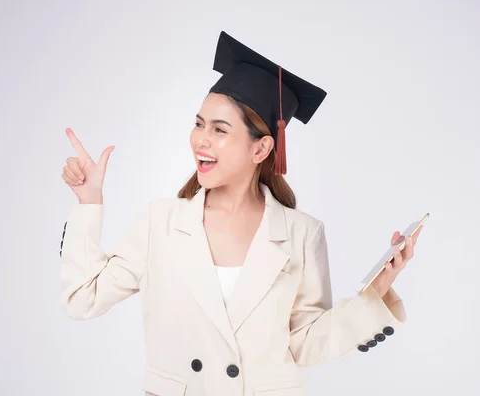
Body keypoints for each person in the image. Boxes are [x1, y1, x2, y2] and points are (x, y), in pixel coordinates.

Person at [58, 31, 423, 396]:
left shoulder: (302, 233)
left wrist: (376, 291)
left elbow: (305, 342)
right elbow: (83, 298)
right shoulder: (160, 221)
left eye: (219, 130)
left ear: (262, 148)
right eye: (199, 124)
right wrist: (89, 202)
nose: (201, 139)